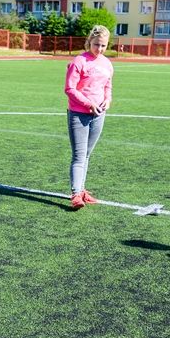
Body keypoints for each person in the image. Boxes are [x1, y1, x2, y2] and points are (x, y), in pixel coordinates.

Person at [63, 24, 113, 209]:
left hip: (99, 115)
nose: (99, 49)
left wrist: (107, 101)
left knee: (87, 155)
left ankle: (82, 190)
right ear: (89, 42)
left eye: (103, 46)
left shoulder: (107, 63)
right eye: (96, 44)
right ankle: (76, 194)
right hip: (79, 114)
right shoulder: (79, 61)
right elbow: (69, 89)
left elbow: (108, 86)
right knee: (78, 155)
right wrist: (88, 104)